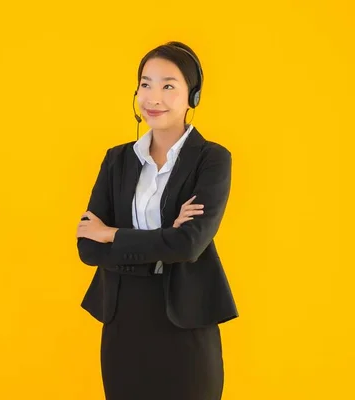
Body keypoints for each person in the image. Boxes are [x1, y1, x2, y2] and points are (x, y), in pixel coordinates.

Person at [75, 41, 239, 400]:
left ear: (192, 96)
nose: (153, 97)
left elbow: (189, 244)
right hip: (123, 321)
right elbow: (87, 245)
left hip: (185, 318)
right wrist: (163, 238)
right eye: (145, 84)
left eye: (168, 85)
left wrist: (112, 234)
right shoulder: (116, 160)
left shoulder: (211, 160)